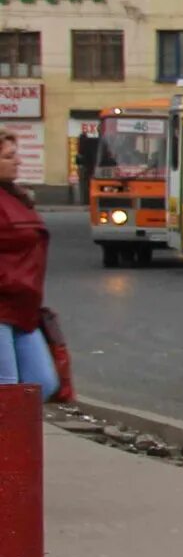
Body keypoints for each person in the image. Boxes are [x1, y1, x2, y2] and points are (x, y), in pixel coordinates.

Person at [0, 130, 60, 401]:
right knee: (9, 390)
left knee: (42, 383)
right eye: (9, 156)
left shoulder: (17, 196)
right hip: (3, 305)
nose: (18, 161)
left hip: (24, 309)